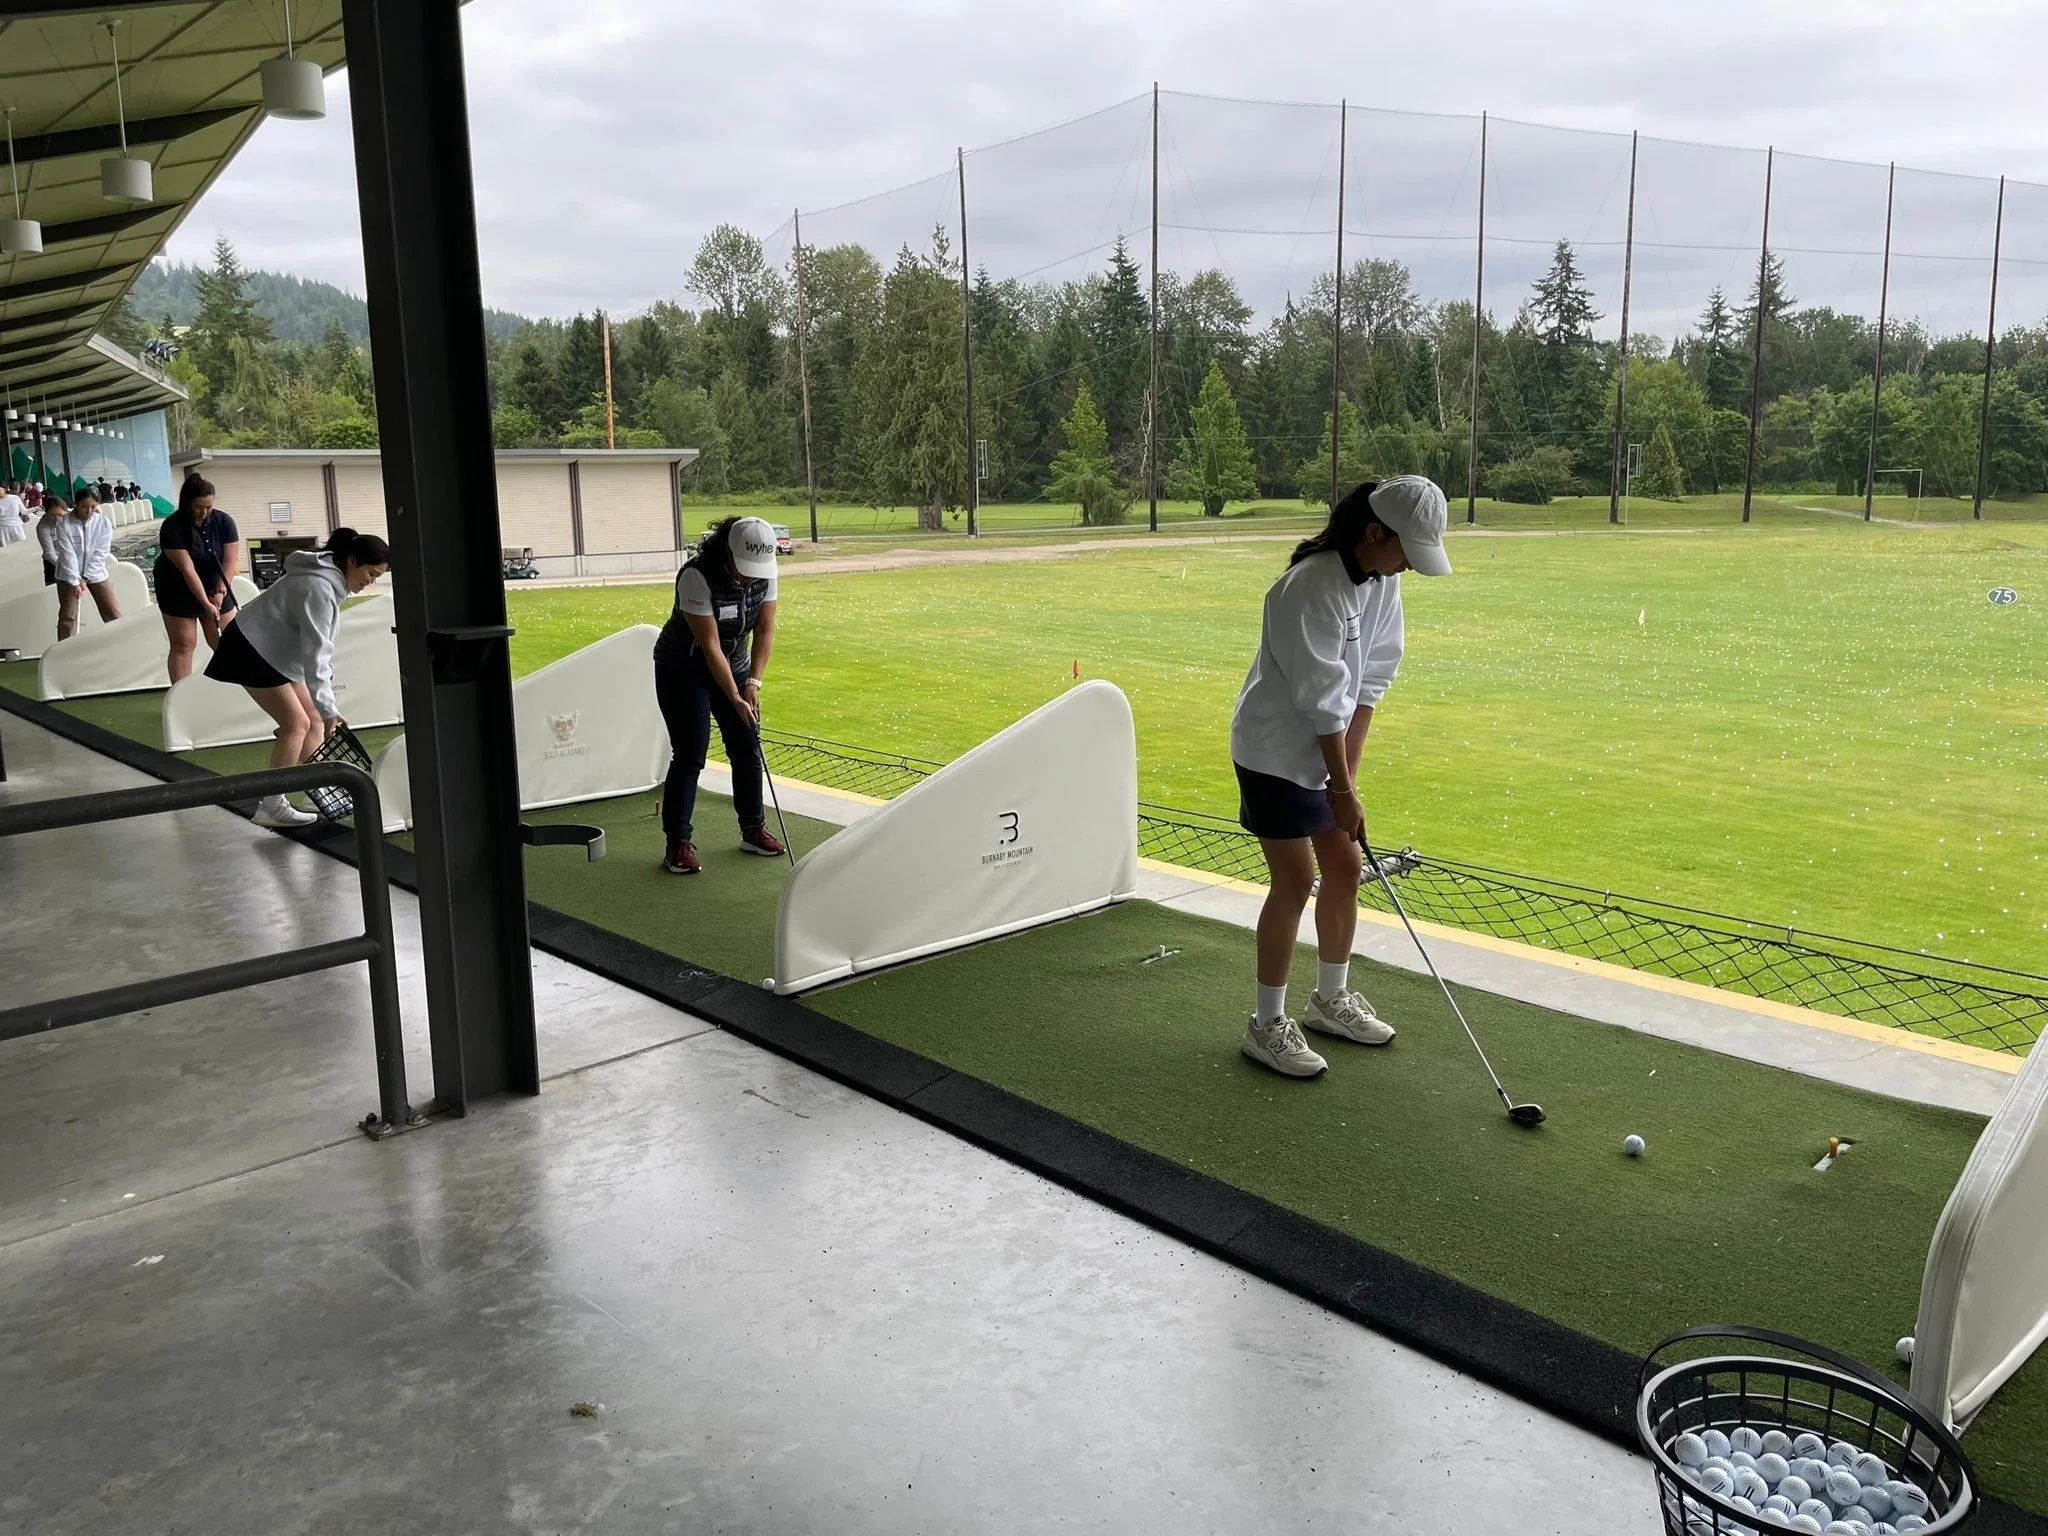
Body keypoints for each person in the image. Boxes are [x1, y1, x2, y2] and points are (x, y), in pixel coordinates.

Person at [1230, 476, 1453, 1080]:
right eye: (1405, 549)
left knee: (1348, 867)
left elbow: (1371, 680)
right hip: (1274, 754)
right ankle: (1265, 1025)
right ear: (1373, 533)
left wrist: (1345, 779)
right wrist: (1342, 790)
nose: (1408, 565)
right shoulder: (1310, 588)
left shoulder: (1382, 582)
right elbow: (1323, 701)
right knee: (1296, 878)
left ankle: (1329, 1000)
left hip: (1325, 758)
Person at [205, 527, 390, 829]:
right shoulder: (319, 587)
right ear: (353, 561)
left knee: (314, 719)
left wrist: (325, 710)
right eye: (371, 573)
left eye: (378, 577)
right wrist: (330, 708)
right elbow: (316, 654)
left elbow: (316, 653)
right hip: (251, 649)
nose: (371, 581)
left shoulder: (328, 581)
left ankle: (314, 789)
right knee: (297, 724)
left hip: (270, 651)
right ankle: (272, 805)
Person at [650, 514, 786, 874]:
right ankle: (677, 843)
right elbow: (709, 646)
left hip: (736, 663)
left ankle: (752, 828)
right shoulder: (695, 576)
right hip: (683, 669)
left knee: (746, 744)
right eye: (742, 567)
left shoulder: (765, 573)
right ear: (726, 550)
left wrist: (753, 683)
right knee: (691, 753)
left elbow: (766, 630)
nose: (748, 576)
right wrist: (735, 697)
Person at [155, 471, 244, 681]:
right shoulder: (172, 526)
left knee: (225, 642)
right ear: (187, 503)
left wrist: (220, 593)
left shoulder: (224, 522)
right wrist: (205, 603)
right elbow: (187, 570)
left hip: (217, 581)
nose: (204, 512)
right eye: (198, 507)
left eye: (209, 507)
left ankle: (235, 692)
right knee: (184, 643)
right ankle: (179, 698)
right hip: (177, 587)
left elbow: (229, 562)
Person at [52, 488, 121, 641]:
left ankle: (120, 646)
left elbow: (101, 553)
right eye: (84, 506)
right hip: (67, 575)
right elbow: (67, 554)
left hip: (96, 573)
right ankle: (65, 652)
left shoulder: (103, 523)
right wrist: (75, 581)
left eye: (93, 506)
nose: (89, 511)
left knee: (113, 613)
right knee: (68, 617)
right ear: (76, 504)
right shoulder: (63, 523)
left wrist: (86, 577)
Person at [0, 480, 25, 547]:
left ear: (5, 489)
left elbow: (24, 511)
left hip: (15, 526)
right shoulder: (15, 497)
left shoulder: (14, 497)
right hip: (4, 528)